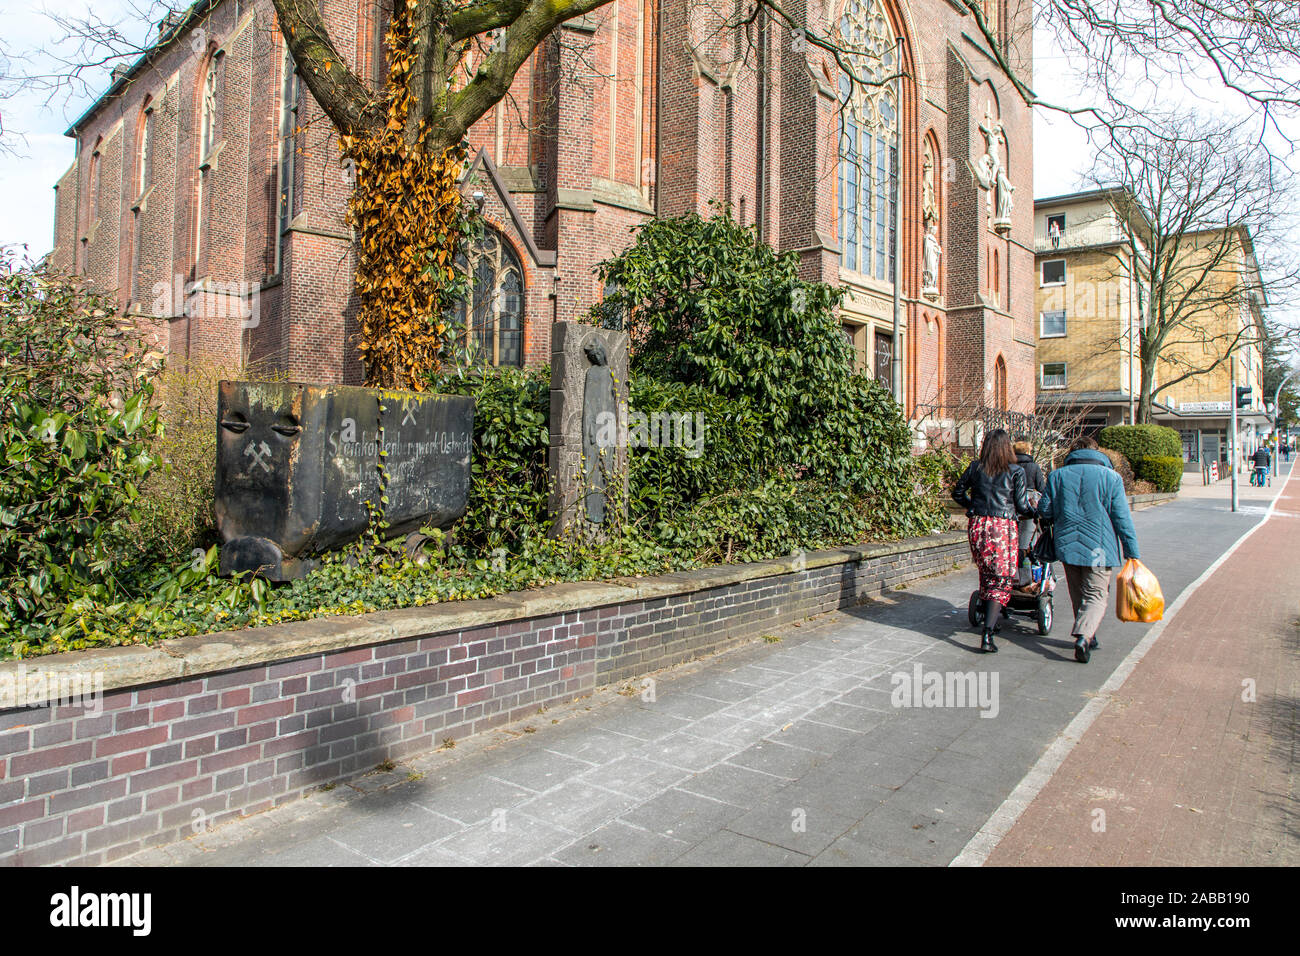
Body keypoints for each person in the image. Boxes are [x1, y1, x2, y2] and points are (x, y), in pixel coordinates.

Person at [1037, 436, 1141, 664]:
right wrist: (1131, 551)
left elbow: (1044, 510)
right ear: (1097, 453)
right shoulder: (1111, 478)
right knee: (1096, 594)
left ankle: (1087, 633)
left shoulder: (1057, 476)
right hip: (1100, 548)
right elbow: (1122, 517)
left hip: (1066, 543)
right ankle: (1084, 636)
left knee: (1077, 591)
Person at [952, 429, 1034, 653]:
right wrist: (1035, 512)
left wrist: (972, 506)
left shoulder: (975, 468)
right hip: (1002, 526)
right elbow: (1022, 505)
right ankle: (988, 631)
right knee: (1001, 578)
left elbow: (957, 492)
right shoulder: (1015, 471)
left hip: (978, 524)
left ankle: (990, 618)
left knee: (986, 572)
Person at [1012, 436, 1047, 554]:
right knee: (1027, 530)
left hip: (1012, 500)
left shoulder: (1009, 466)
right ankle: (1025, 553)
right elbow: (1041, 487)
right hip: (1029, 500)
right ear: (1028, 451)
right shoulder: (1034, 466)